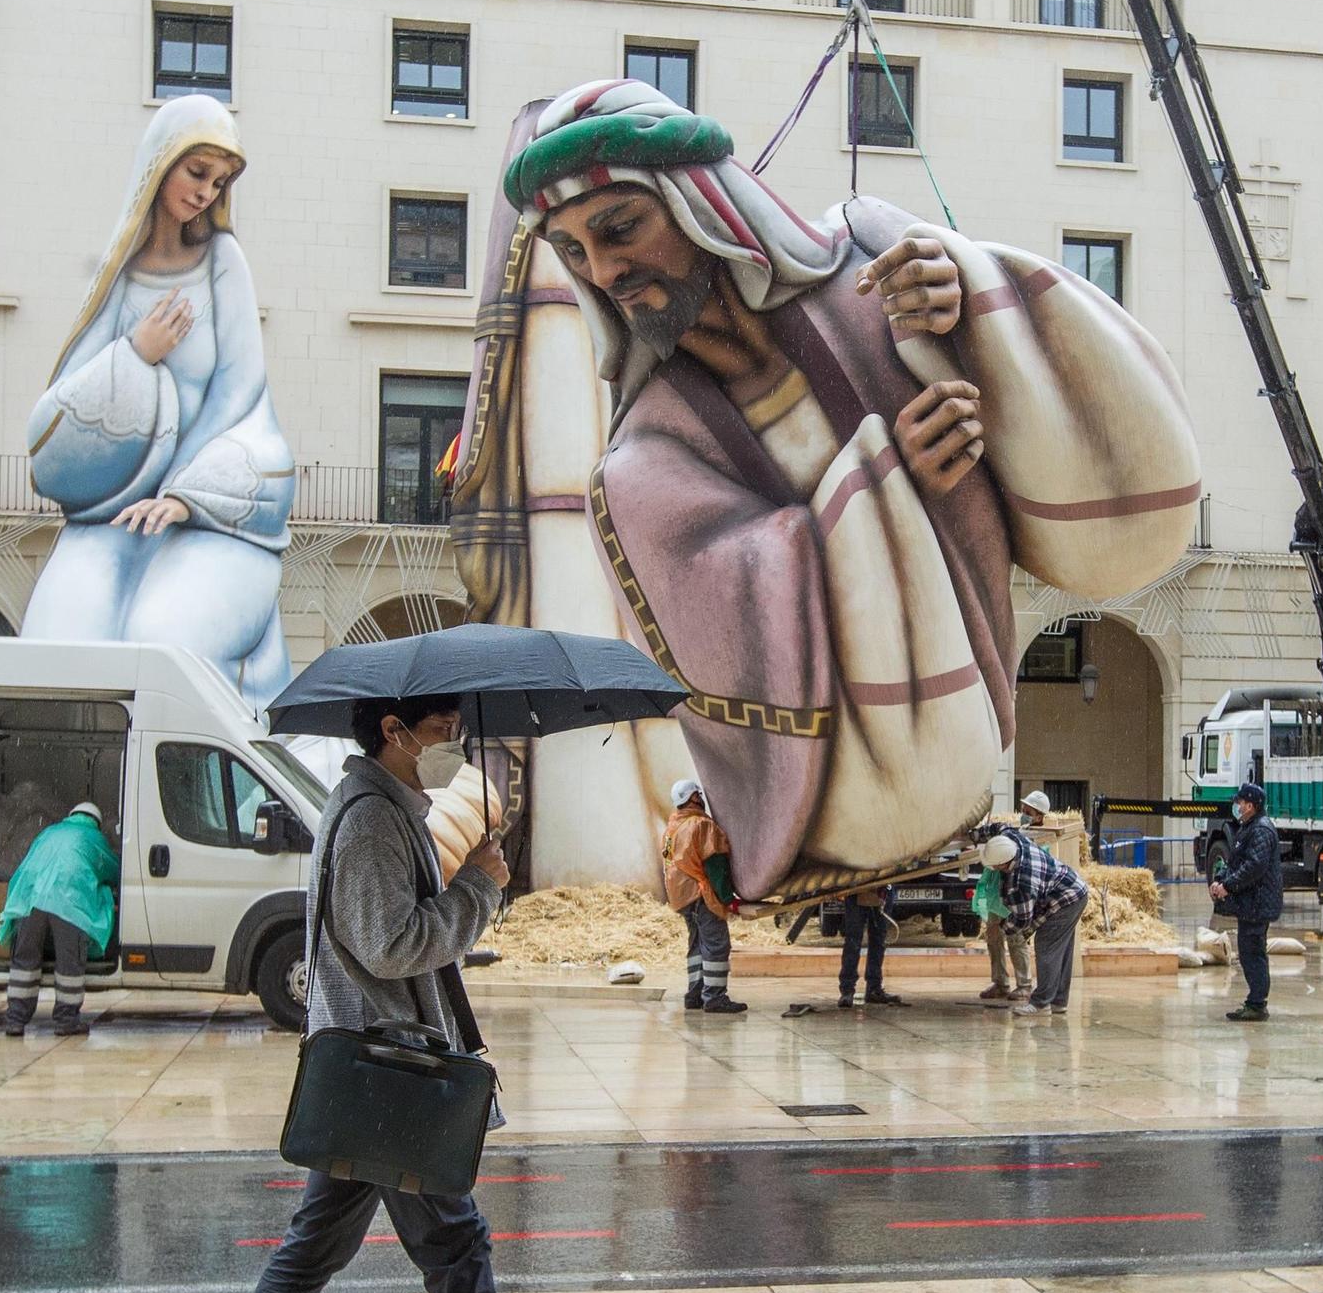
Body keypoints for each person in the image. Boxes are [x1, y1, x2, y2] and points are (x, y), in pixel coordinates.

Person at [492, 82, 1200, 904]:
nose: (606, 269)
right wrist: (890, 483)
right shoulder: (646, 459)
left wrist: (965, 302)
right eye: (575, 253)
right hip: (862, 779)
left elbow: (1033, 405)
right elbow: (713, 605)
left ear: (699, 205)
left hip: (968, 686)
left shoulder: (869, 260)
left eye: (619, 228)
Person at [206, 693, 624, 1293]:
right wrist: (478, 890)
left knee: (316, 1247)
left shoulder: (384, 808)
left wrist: (466, 881)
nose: (454, 747)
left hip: (371, 1065)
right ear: (393, 733)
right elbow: (391, 944)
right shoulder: (368, 816)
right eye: (442, 732)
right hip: (388, 1068)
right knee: (453, 1246)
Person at [23, 95, 297, 712]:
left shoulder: (222, 262)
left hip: (205, 509)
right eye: (196, 172)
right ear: (160, 164)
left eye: (218, 181)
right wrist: (135, 353)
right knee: (62, 644)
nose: (205, 192)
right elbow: (61, 412)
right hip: (112, 516)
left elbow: (240, 392)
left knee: (167, 640)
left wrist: (181, 496)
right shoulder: (119, 279)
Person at [0, 802, 120, 1037]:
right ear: (95, 821)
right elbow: (114, 872)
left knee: (24, 962)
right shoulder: (93, 838)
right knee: (69, 965)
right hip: (70, 904)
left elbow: (26, 865)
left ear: (71, 816)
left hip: (31, 900)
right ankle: (66, 1021)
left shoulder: (49, 833)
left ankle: (15, 1020)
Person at [663, 778, 748, 1014]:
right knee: (716, 945)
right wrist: (728, 898)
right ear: (693, 798)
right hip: (700, 894)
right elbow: (715, 865)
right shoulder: (702, 826)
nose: (701, 798)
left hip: (681, 896)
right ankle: (715, 997)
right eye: (698, 794)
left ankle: (695, 994)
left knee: (697, 945)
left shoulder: (674, 825)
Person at [980, 831, 1089, 1015]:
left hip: (1065, 899)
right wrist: (980, 833)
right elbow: (1004, 827)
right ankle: (1058, 1001)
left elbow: (1022, 920)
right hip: (1073, 889)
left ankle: (1040, 1003)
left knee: (1046, 946)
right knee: (1061, 950)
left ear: (1003, 864)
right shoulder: (1016, 841)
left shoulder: (1022, 882)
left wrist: (1003, 926)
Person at [1209, 781, 1283, 1023]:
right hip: (1251, 903)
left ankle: (1257, 1004)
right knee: (1250, 951)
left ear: (1250, 805)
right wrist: (1221, 879)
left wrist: (1229, 886)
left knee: (1253, 953)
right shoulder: (1250, 828)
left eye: (1240, 802)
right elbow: (1237, 862)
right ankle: (1254, 1001)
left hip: (1257, 904)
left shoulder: (1261, 830)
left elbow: (1254, 867)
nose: (1237, 806)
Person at [980, 790, 1051, 1002]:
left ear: (1039, 816)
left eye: (1028, 812)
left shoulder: (1042, 839)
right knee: (993, 937)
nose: (1023, 815)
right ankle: (1000, 982)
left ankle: (1024, 984)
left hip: (1017, 896)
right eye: (1023, 811)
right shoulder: (1016, 831)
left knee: (1016, 938)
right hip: (998, 895)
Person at [837, 886, 906, 1009]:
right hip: (857, 890)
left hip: (883, 892)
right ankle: (847, 990)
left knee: (878, 941)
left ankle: (874, 989)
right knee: (853, 941)